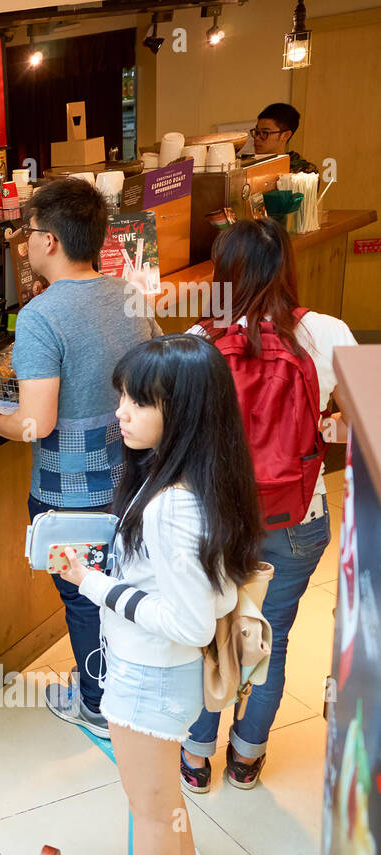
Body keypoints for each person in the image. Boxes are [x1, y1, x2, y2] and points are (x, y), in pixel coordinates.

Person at [59, 334, 265, 855]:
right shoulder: (202, 479)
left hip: (148, 678)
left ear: (184, 411)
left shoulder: (171, 505)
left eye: (138, 401)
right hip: (165, 677)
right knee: (164, 804)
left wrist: (92, 582)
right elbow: (212, 593)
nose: (121, 413)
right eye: (123, 396)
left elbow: (191, 622)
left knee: (149, 812)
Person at [180, 218, 355, 791]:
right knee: (268, 639)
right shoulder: (328, 333)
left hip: (214, 519)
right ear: (288, 268)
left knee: (210, 632)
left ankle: (197, 754)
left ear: (222, 276)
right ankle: (247, 757)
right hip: (295, 520)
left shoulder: (200, 343)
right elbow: (364, 422)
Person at [0, 177, 159, 738]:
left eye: (27, 233)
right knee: (122, 586)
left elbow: (37, 421)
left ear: (51, 240)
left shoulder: (41, 315)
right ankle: (120, 689)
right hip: (134, 473)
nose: (23, 243)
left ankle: (97, 704)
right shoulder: (127, 295)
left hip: (71, 486)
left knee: (84, 594)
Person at [248, 103, 318, 174]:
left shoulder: (303, 171)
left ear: (285, 135)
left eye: (265, 133)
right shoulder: (248, 166)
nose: (257, 138)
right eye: (256, 132)